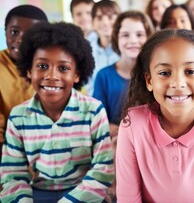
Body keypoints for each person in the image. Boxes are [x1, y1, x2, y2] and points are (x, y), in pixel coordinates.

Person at [115, 29, 194, 202]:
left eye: (190, 71)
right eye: (165, 73)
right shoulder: (133, 124)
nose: (178, 83)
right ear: (149, 81)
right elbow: (128, 198)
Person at [0, 22, 114, 202]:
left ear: (77, 74)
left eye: (63, 68)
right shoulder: (18, 116)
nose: (52, 76)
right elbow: (13, 174)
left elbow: (103, 169)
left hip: (83, 191)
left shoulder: (93, 110)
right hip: (38, 192)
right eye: (42, 66)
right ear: (29, 70)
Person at [93, 11, 154, 138]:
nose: (133, 40)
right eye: (125, 35)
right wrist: (107, 126)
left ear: (149, 38)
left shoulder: (156, 75)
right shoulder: (103, 76)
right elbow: (97, 117)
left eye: (139, 34)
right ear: (116, 38)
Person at [0, 5, 48, 159]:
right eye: (14, 32)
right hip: (10, 155)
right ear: (5, 32)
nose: (20, 40)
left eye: (31, 35)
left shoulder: (56, 62)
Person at [84, 0, 121, 96]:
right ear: (93, 22)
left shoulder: (126, 48)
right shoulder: (87, 49)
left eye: (110, 17)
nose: (105, 23)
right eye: (99, 18)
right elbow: (88, 84)